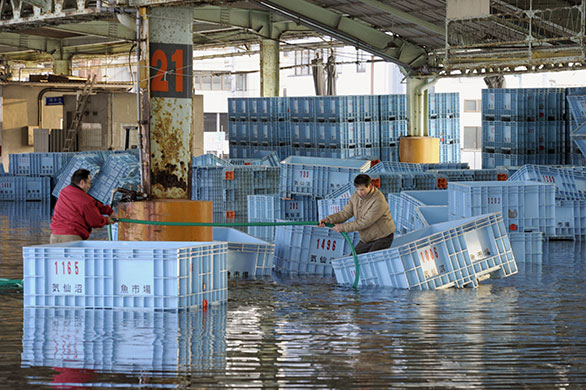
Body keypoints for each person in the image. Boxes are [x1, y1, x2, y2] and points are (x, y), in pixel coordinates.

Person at [319, 174, 395, 254]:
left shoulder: (378, 200)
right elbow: (345, 213)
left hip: (382, 237)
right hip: (367, 238)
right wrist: (328, 220)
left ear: (370, 186)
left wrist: (342, 227)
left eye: (362, 189)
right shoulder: (356, 196)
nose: (359, 192)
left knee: (368, 262)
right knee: (352, 260)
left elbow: (364, 222)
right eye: (357, 189)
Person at [50, 168, 117, 244]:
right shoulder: (85, 200)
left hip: (55, 236)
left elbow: (93, 203)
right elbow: (94, 220)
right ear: (82, 182)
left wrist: (109, 211)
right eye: (88, 183)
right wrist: (106, 220)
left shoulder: (64, 192)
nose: (89, 186)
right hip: (71, 237)